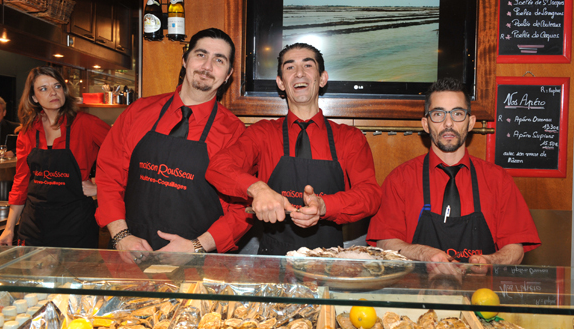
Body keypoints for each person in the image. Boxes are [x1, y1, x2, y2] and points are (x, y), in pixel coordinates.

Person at [206, 43, 382, 255]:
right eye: (290, 68)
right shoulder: (262, 133)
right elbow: (217, 167)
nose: (299, 73)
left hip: (329, 263)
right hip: (273, 263)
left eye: (308, 65)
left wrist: (325, 206)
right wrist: (258, 189)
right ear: (281, 83)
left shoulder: (350, 137)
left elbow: (370, 195)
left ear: (322, 78)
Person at [95, 28, 251, 258]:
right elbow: (109, 176)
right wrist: (120, 236)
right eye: (201, 55)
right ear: (184, 61)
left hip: (197, 268)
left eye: (219, 60)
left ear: (228, 74)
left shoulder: (235, 133)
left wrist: (197, 246)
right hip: (130, 257)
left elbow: (242, 210)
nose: (207, 66)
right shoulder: (139, 111)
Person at [367, 78, 541, 266]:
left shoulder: (498, 180)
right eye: (438, 114)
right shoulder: (400, 179)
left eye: (457, 113)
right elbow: (384, 243)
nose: (448, 123)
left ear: (471, 122)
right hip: (416, 292)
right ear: (425, 124)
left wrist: (487, 262)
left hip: (480, 292)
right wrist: (424, 254)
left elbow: (515, 250)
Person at [0, 66, 110, 248]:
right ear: (34, 97)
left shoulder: (87, 124)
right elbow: (21, 181)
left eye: (57, 86)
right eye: (43, 88)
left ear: (64, 91)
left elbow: (126, 156)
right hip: (34, 223)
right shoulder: (27, 131)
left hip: (76, 224)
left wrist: (100, 187)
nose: (53, 92)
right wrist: (9, 228)